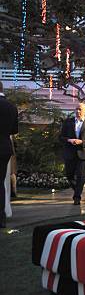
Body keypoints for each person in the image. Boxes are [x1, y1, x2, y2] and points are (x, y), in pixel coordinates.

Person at [59, 103, 85, 205]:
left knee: (81, 176)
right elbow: (61, 137)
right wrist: (69, 140)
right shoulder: (68, 122)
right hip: (70, 153)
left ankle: (77, 197)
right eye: (76, 109)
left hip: (83, 154)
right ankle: (77, 190)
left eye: (80, 109)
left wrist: (82, 142)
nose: (78, 111)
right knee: (69, 175)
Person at [0, 81, 18, 228]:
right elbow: (14, 130)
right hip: (5, 148)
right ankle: (1, 218)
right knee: (0, 183)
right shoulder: (11, 107)